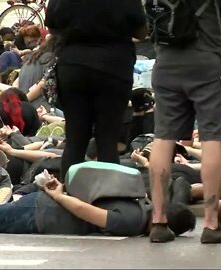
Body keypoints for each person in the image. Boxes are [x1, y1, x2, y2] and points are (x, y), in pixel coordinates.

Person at [148, 0, 221, 244]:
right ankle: (211, 224)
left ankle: (158, 220)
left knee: (163, 137)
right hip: (208, 61)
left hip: (166, 62)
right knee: (211, 138)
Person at [44, 0, 148, 179]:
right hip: (114, 67)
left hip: (73, 66)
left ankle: (66, 195)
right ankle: (108, 200)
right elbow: (141, 31)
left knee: (75, 140)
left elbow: (52, 27)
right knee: (108, 139)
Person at [0, 177, 196, 238]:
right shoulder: (133, 220)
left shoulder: (143, 202)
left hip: (41, 208)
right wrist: (59, 196)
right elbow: (86, 211)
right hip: (40, 214)